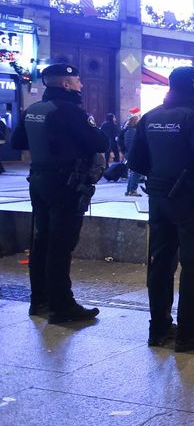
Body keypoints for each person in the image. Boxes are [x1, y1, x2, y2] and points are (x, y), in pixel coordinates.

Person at [128, 67, 194, 351]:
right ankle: (190, 332)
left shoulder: (150, 117)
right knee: (193, 265)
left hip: (158, 199)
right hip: (190, 202)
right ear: (192, 86)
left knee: (161, 264)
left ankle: (159, 328)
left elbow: (135, 162)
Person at [10, 63, 108, 323]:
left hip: (39, 180)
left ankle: (39, 300)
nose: (81, 85)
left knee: (41, 241)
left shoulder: (33, 109)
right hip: (66, 183)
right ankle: (62, 305)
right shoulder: (70, 111)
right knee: (61, 245)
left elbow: (16, 142)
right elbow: (100, 142)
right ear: (65, 84)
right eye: (77, 81)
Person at [122, 113, 143, 196]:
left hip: (129, 153)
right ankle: (132, 190)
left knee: (132, 172)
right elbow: (136, 144)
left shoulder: (127, 131)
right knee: (136, 172)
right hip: (134, 154)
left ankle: (129, 190)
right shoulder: (134, 132)